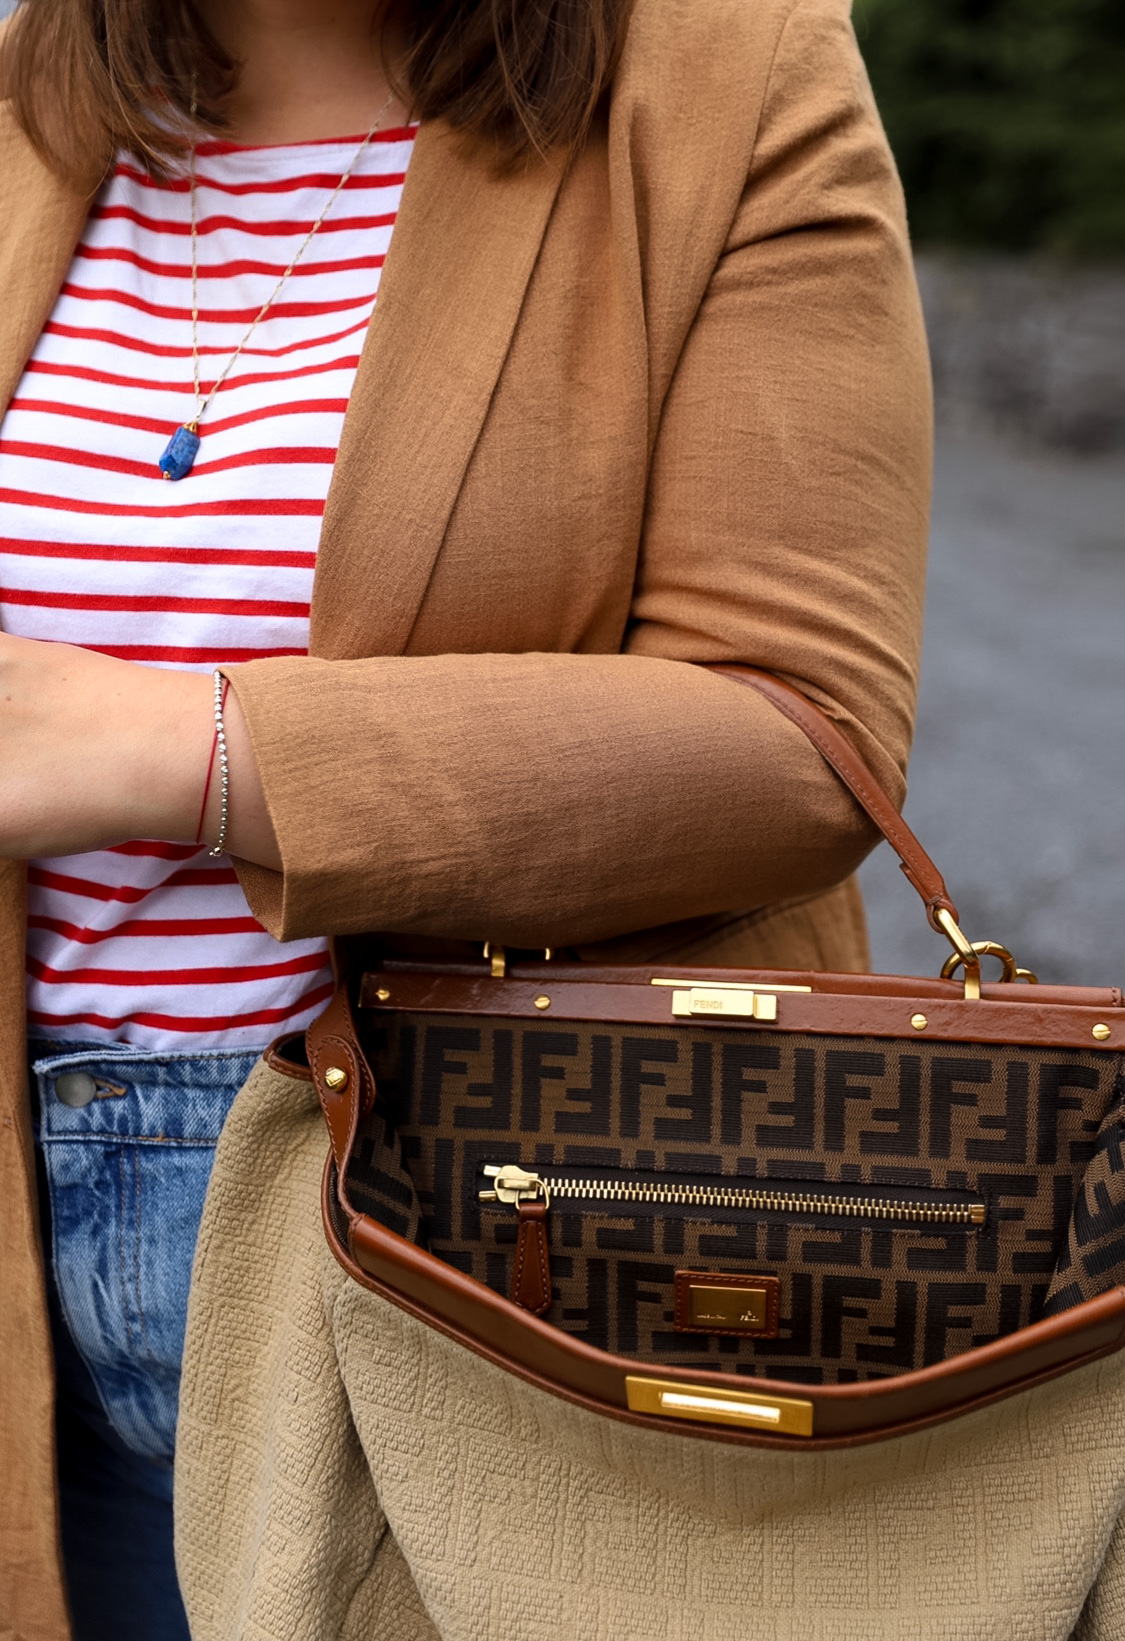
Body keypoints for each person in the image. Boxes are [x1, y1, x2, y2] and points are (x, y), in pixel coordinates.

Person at [0, 0, 931, 1635]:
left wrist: (181, 746)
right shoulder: (27, 96)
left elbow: (803, 734)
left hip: (500, 1262)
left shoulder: (729, 73)